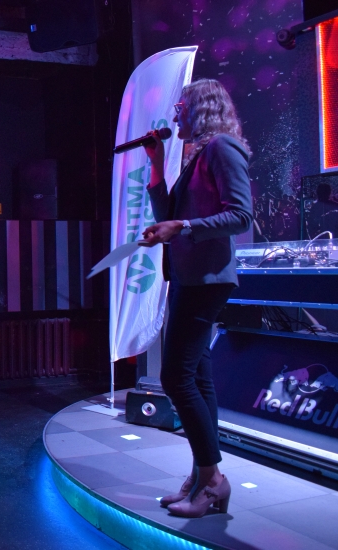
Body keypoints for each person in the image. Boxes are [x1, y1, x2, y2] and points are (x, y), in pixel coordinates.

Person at [142, 79, 253, 518]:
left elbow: (241, 215)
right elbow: (168, 216)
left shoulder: (223, 148)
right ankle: (202, 476)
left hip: (208, 278)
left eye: (181, 106)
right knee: (198, 378)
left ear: (202, 108)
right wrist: (156, 165)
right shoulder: (196, 155)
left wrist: (183, 228)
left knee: (175, 377)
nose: (174, 114)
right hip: (189, 276)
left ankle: (212, 480)